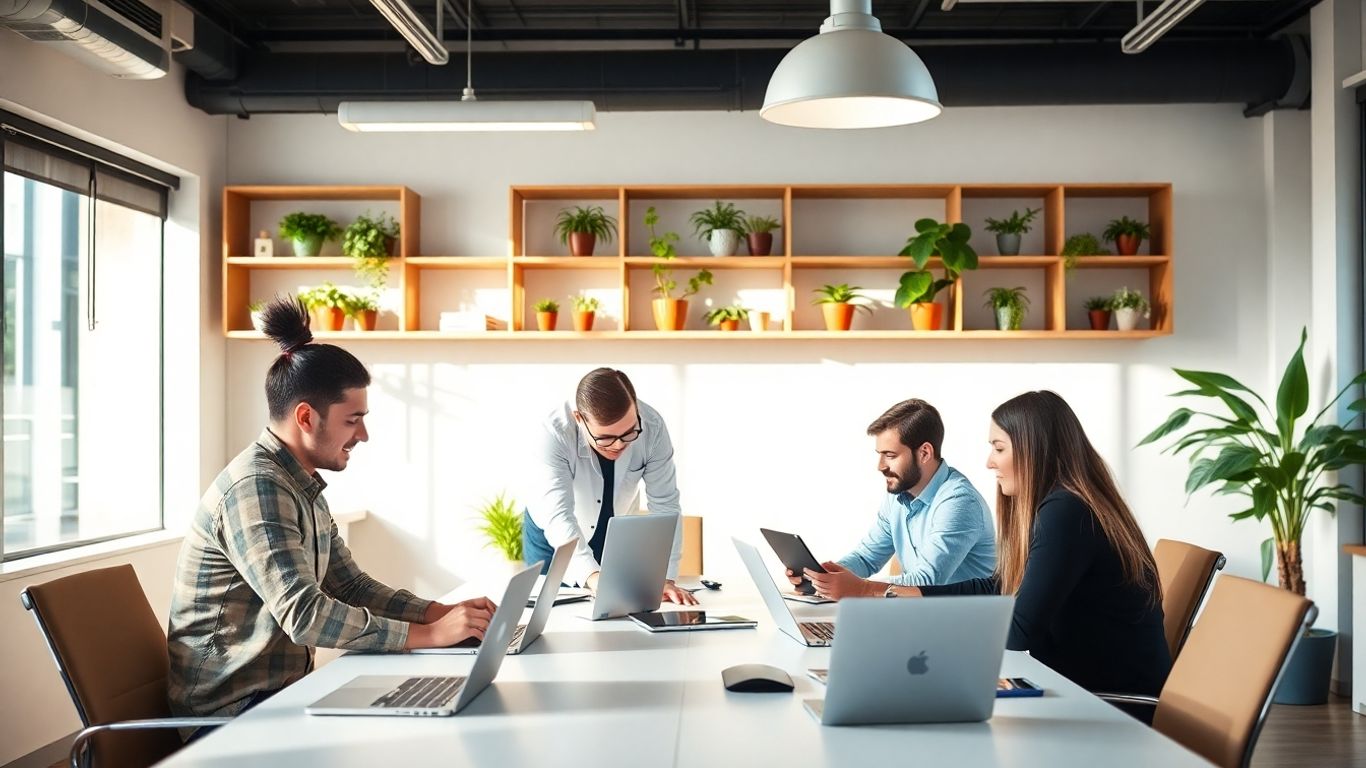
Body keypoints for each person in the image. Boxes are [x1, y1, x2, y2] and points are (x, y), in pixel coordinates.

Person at [167, 297, 498, 730]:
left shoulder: (299, 482)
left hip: (279, 698)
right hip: (229, 719)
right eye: (352, 420)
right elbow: (304, 614)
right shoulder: (256, 487)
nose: (364, 434)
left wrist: (439, 612)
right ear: (306, 417)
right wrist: (432, 635)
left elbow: (350, 586)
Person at [864, 390, 1171, 701]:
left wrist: (929, 620)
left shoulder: (1068, 512)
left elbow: (1019, 630)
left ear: (1034, 450)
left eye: (999, 448)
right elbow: (1002, 585)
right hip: (1074, 686)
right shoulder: (1065, 505)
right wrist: (912, 595)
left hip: (1108, 703)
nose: (989, 462)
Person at [523, 368, 697, 606]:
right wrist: (594, 578)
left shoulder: (652, 426)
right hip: (552, 533)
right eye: (605, 438)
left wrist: (664, 579)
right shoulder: (554, 433)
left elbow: (666, 505)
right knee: (552, 612)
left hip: (613, 524)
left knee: (611, 612)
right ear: (579, 419)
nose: (618, 445)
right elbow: (558, 517)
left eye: (629, 433)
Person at [796, 398, 996, 600]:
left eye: (890, 455)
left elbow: (927, 581)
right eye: (879, 454)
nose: (880, 466)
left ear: (924, 453)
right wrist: (822, 578)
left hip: (965, 618)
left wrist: (861, 588)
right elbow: (866, 558)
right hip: (920, 614)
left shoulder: (959, 501)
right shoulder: (899, 495)